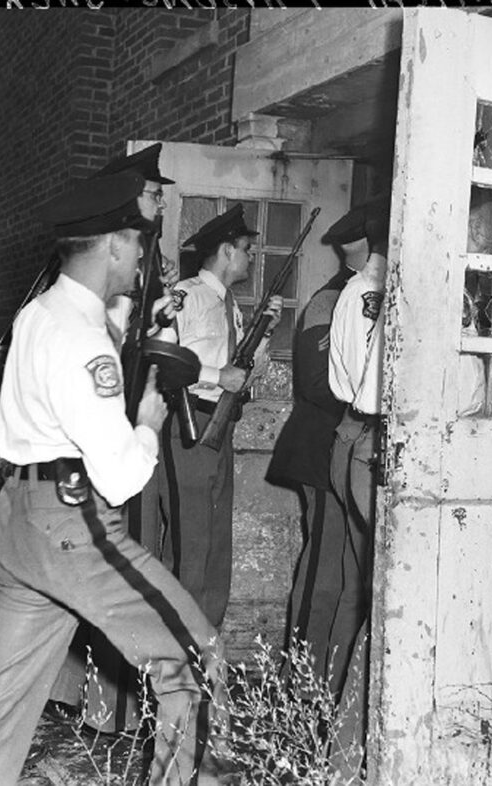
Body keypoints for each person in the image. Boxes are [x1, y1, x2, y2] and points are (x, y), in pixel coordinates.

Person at [0, 172, 224, 785]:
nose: (143, 256)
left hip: (17, 520)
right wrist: (146, 424)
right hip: (74, 522)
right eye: (138, 243)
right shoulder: (84, 339)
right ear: (116, 244)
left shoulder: (41, 314)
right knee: (195, 665)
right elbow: (119, 478)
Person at [47, 142, 181, 734]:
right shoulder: (104, 262)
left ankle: (116, 704)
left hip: (127, 423)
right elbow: (103, 340)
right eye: (153, 194)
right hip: (104, 430)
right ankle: (96, 703)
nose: (158, 204)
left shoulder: (151, 260)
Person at [164, 204, 282, 629]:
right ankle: (176, 642)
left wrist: (264, 331)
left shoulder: (229, 304)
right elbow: (164, 361)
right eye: (247, 249)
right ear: (227, 251)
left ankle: (205, 638)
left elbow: (244, 374)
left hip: (221, 427)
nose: (251, 257)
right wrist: (218, 374)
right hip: (192, 423)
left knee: (216, 544)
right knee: (191, 542)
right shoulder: (187, 296)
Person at [265, 249, 354, 692]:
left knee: (343, 574)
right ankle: (297, 680)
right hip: (322, 448)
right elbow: (318, 383)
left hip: (349, 450)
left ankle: (329, 680)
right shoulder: (332, 300)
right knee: (323, 570)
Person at [325, 194, 390, 776]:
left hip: (358, 440)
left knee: (361, 586)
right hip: (376, 445)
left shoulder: (353, 293)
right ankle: (351, 748)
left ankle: (334, 723)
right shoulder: (373, 298)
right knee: (384, 596)